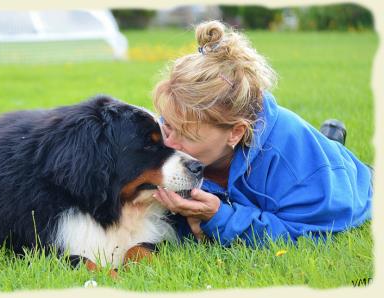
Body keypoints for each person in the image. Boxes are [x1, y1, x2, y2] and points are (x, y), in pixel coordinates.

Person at [151, 20, 373, 246]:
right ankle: (329, 139)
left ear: (235, 133)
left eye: (187, 136)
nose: (169, 144)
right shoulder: (181, 126)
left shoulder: (291, 162)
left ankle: (333, 150)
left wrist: (219, 218)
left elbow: (303, 233)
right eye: (167, 126)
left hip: (338, 183)